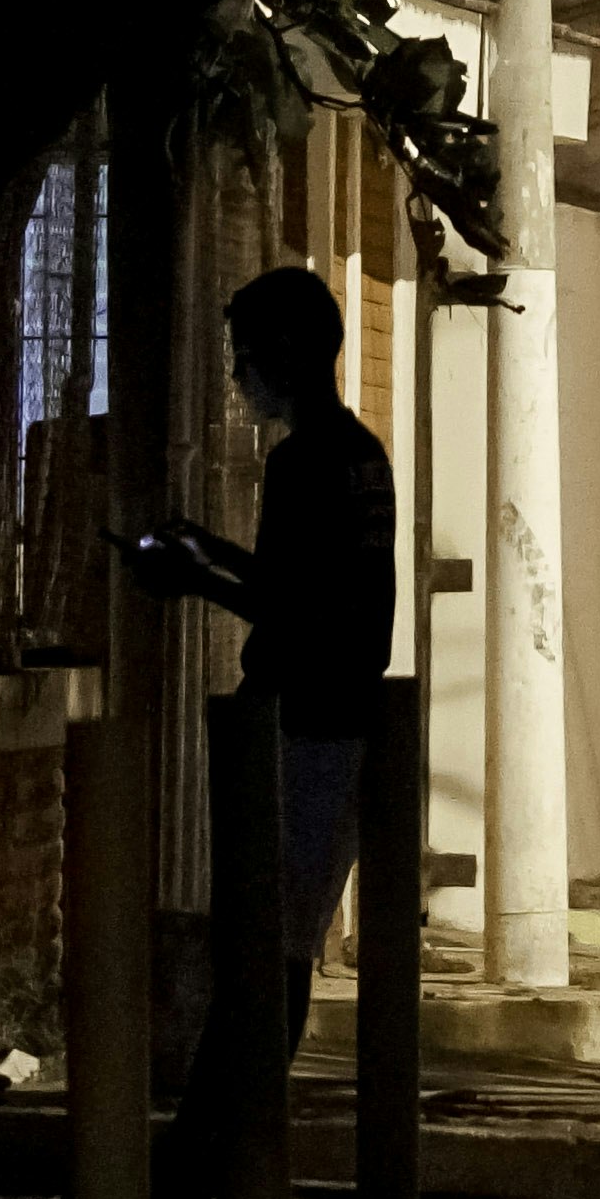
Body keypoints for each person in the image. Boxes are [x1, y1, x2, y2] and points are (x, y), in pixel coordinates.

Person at [123, 266, 394, 1062]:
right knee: (285, 941)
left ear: (283, 354)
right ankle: (233, 1128)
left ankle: (226, 1128)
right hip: (344, 720)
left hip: (299, 726)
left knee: (265, 947)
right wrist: (209, 552)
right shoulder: (360, 454)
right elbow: (311, 591)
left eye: (244, 357)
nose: (237, 376)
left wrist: (191, 576)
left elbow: (288, 605)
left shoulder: (300, 463)